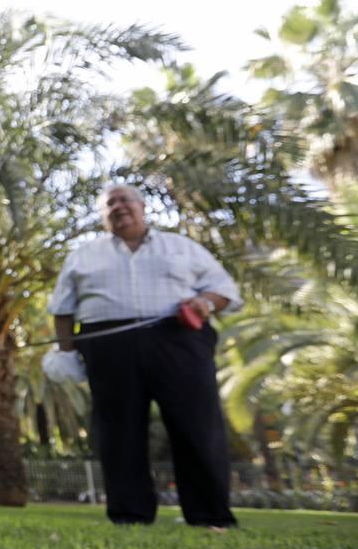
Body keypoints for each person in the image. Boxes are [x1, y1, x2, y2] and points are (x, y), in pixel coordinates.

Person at [48, 184, 241, 530]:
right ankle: (130, 515)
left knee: (197, 426)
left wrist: (205, 302)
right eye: (111, 203)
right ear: (103, 215)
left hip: (178, 341)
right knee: (117, 431)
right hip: (108, 347)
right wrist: (65, 353)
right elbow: (62, 310)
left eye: (125, 200)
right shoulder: (82, 256)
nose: (119, 207)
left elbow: (225, 290)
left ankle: (209, 515)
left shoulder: (182, 247)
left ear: (142, 206)